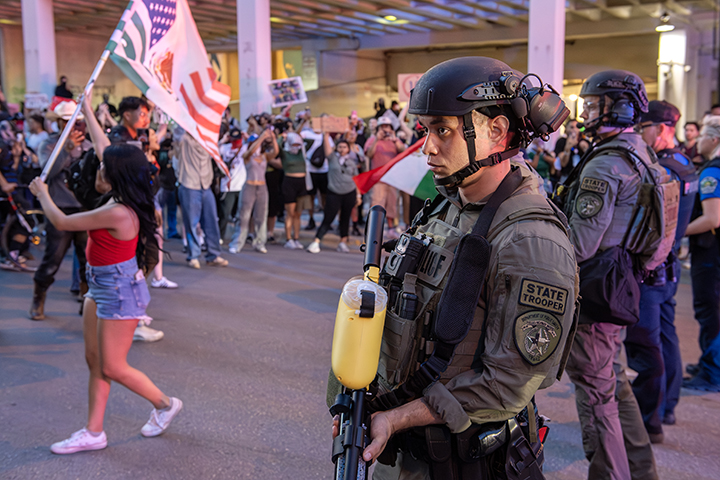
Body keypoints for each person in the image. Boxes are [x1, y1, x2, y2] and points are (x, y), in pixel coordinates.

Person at [330, 57, 578, 479]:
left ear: (496, 132)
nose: (428, 146)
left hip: (463, 462)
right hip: (404, 442)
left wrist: (397, 417)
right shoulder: (448, 203)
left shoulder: (532, 241)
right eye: (426, 130)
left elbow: (508, 384)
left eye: (442, 130)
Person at [29, 144, 182, 454]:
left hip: (119, 291)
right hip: (100, 286)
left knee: (112, 366)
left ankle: (165, 404)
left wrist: (42, 193)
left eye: (102, 167)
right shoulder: (117, 198)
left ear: (116, 176)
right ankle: (94, 432)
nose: (97, 168)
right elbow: (106, 149)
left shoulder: (118, 210)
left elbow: (61, 222)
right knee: (96, 361)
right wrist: (86, 109)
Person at [561, 70, 658, 479]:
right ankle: (640, 469)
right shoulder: (640, 152)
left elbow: (580, 245)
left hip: (595, 292)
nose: (586, 112)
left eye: (594, 103)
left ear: (618, 106)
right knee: (614, 383)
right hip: (621, 285)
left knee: (596, 393)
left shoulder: (606, 165)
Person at [625, 100, 697, 442]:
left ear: (664, 128)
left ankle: (648, 418)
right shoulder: (684, 163)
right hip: (666, 270)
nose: (642, 134)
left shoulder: (664, 168)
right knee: (665, 339)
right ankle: (666, 406)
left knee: (645, 346)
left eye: (646, 128)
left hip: (653, 270)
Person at [30, 101, 88, 320]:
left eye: (77, 122)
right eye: (69, 121)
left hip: (83, 209)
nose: (74, 126)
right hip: (58, 208)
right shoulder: (48, 144)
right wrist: (67, 148)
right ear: (60, 123)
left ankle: (86, 299)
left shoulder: (87, 145)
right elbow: (48, 171)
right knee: (52, 258)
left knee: (87, 260)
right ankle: (38, 298)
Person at [683, 115, 720, 392]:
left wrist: (678, 230)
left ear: (714, 140)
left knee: (709, 311)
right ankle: (709, 361)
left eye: (704, 135)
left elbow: (711, 219)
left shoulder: (711, 171)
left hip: (710, 254)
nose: (698, 141)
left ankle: (712, 372)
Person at [174, 129, 229, 268]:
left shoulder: (207, 140)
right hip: (189, 184)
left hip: (205, 185)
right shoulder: (185, 139)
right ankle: (193, 256)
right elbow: (178, 134)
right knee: (192, 222)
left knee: (212, 221)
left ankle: (213, 255)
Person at [307, 133, 362, 254]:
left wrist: (358, 195)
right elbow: (326, 148)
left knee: (345, 218)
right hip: (334, 192)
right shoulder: (332, 158)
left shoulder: (352, 161)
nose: (342, 149)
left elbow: (356, 178)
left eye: (344, 147)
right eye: (340, 147)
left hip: (349, 192)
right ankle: (316, 241)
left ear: (348, 149)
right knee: (328, 217)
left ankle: (343, 242)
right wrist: (326, 134)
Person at [228, 128, 276, 254]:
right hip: (249, 186)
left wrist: (273, 138)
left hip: (262, 187)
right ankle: (237, 243)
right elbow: (250, 151)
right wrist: (261, 137)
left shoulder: (264, 156)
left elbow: (275, 152)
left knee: (261, 216)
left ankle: (260, 243)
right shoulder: (247, 155)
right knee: (243, 217)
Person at [364, 116, 406, 236]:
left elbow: (404, 152)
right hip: (378, 179)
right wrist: (377, 139)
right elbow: (369, 154)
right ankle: (375, 230)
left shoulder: (395, 140)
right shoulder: (372, 139)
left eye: (387, 126)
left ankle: (391, 229)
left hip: (393, 178)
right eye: (382, 127)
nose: (385, 129)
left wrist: (395, 139)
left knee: (392, 204)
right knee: (377, 203)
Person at [272, 132, 308, 249]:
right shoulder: (285, 153)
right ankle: (289, 238)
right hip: (289, 182)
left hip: (302, 183)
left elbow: (311, 142)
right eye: (294, 144)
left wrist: (300, 137)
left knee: (298, 213)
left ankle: (296, 238)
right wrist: (282, 137)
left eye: (298, 144)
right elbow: (276, 148)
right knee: (290, 213)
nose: (296, 146)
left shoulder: (302, 153)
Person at [218, 128, 247, 243]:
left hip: (241, 185)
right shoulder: (225, 148)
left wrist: (247, 135)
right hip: (227, 186)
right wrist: (222, 140)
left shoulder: (244, 148)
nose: (236, 142)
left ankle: (239, 237)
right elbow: (212, 151)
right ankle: (220, 236)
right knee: (224, 214)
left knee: (240, 215)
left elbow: (255, 145)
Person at [554, 118, 590, 183]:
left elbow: (590, 159)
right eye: (571, 127)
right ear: (566, 129)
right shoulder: (561, 142)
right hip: (566, 177)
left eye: (576, 127)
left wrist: (584, 147)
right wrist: (567, 147)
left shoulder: (584, 142)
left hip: (582, 177)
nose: (574, 130)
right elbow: (563, 164)